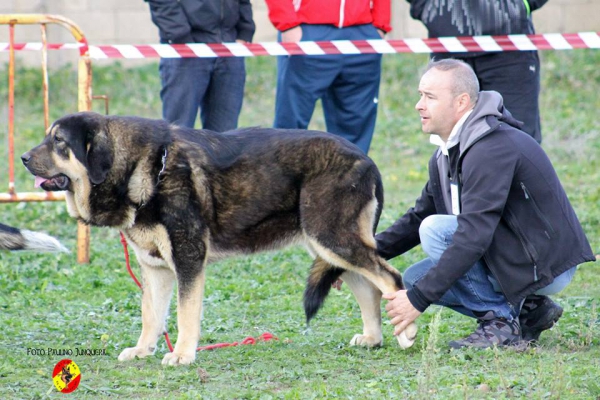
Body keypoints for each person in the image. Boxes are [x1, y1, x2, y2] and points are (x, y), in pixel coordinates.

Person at [377, 59, 595, 349]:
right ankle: (532, 310)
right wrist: (359, 256)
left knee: (435, 232)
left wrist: (416, 302)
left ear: (461, 102)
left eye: (430, 97)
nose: (419, 105)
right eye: (420, 95)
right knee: (417, 278)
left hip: (543, 265)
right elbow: (417, 216)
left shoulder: (491, 148)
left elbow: (473, 235)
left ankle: (500, 323)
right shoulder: (447, 153)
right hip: (512, 256)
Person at [405, 0, 547, 143]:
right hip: (447, 42)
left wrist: (520, 5)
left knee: (518, 139)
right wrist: (429, 7)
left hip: (509, 48)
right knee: (451, 139)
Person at [264, 0, 392, 154]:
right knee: (290, 127)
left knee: (356, 126)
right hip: (306, 29)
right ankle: (285, 177)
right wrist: (287, 24)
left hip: (362, 30)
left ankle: (351, 178)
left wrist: (380, 24)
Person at [146, 0, 255, 131]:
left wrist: (245, 29)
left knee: (225, 140)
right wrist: (181, 36)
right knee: (177, 137)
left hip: (229, 47)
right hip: (185, 50)